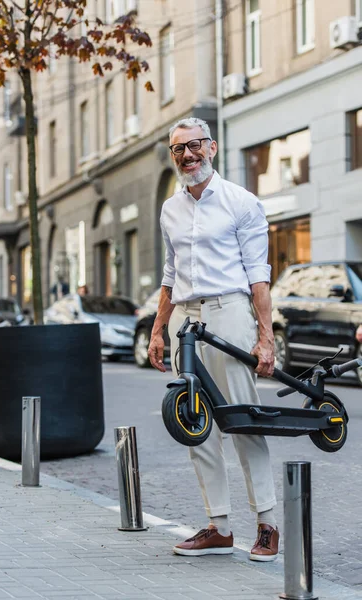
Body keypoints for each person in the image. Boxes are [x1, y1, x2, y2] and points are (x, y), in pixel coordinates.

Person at [148, 117, 278, 561]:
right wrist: (156, 330)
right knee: (196, 423)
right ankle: (218, 526)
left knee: (241, 419)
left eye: (195, 146)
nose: (187, 155)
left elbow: (258, 277)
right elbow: (170, 273)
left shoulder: (242, 202)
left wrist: (266, 338)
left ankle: (267, 524)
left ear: (213, 147)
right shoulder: (170, 208)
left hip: (228, 313)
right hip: (184, 319)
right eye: (178, 149)